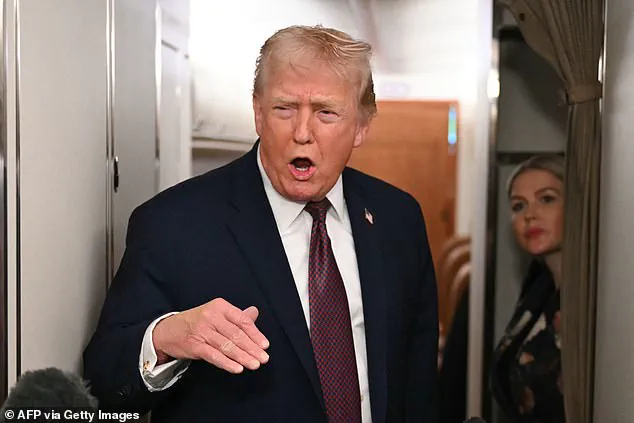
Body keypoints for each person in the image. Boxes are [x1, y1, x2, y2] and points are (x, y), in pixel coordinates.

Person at [83, 25, 439, 423]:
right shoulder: (172, 223)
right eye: (284, 108)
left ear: (361, 126)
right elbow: (102, 384)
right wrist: (166, 338)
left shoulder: (398, 219)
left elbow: (419, 386)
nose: (302, 133)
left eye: (326, 112)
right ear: (257, 112)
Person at [490, 155, 565, 423]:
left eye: (546, 199)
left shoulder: (595, 297)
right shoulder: (538, 288)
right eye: (519, 206)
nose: (530, 215)